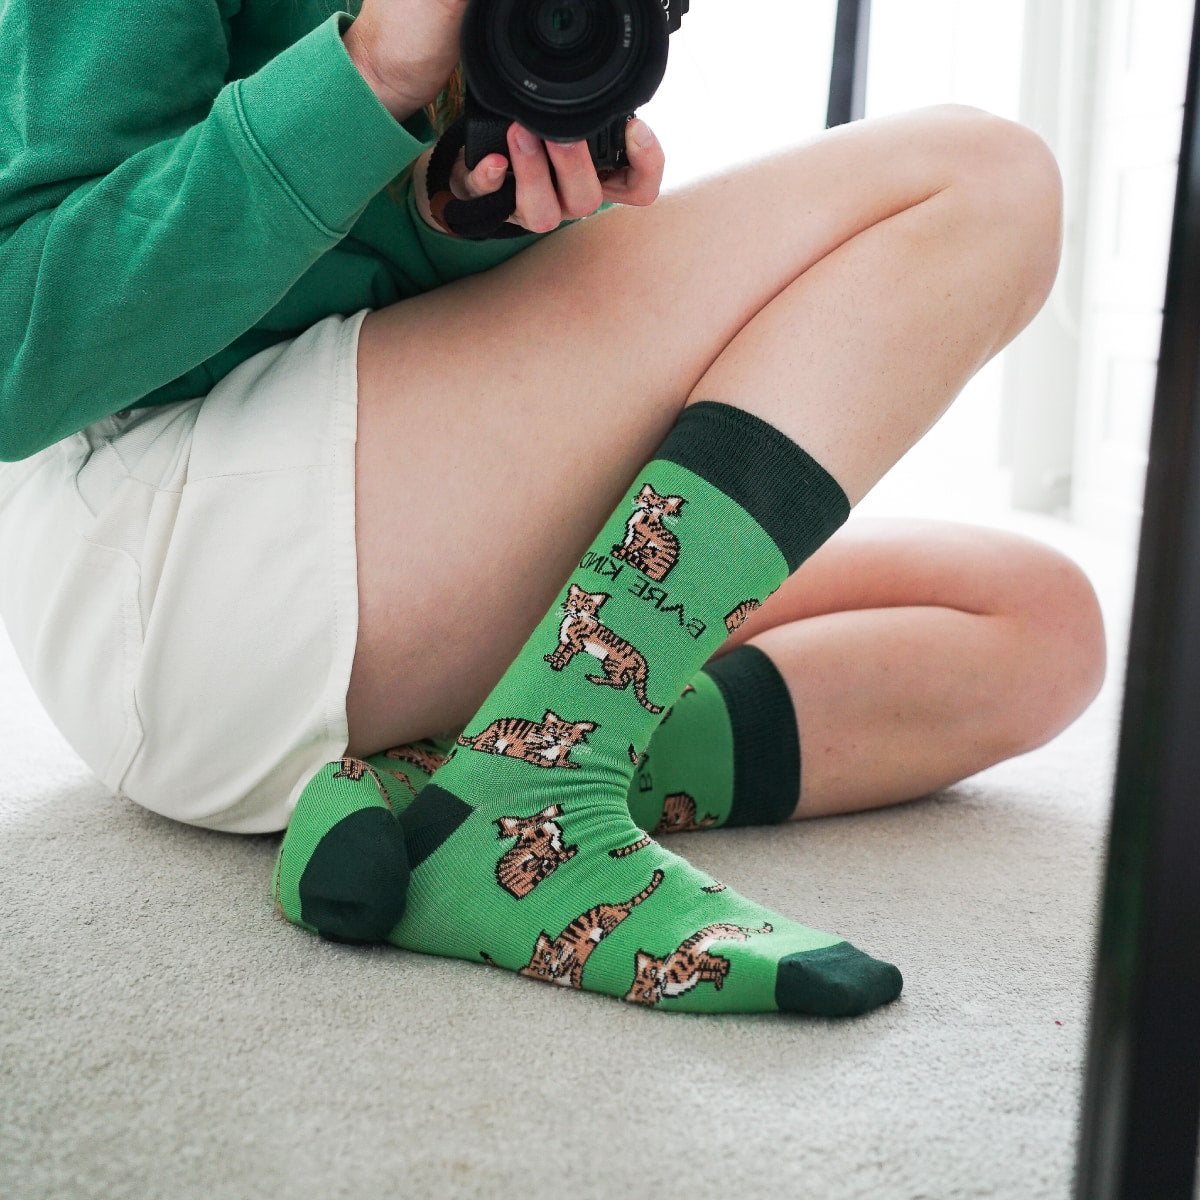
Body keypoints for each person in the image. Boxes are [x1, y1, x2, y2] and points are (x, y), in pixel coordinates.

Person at [0, 0, 1105, 1017]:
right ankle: (538, 805)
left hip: (360, 525)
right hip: (181, 560)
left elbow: (361, 286)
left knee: (1034, 627)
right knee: (980, 182)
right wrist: (368, 76)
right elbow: (20, 353)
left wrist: (461, 208)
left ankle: (440, 790)